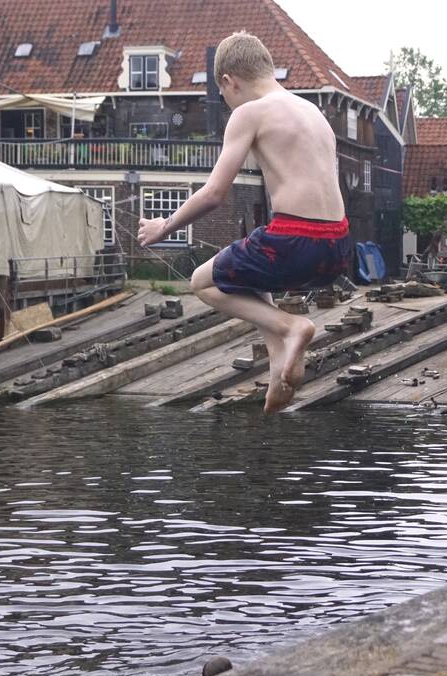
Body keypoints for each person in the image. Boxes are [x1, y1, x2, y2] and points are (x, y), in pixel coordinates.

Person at [138, 32, 350, 414]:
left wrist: (164, 226)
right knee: (253, 267)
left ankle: (292, 328)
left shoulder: (250, 113)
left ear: (228, 81)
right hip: (338, 249)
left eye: (223, 95)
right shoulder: (313, 113)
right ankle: (277, 364)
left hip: (294, 241)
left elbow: (214, 193)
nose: (227, 103)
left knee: (202, 282)